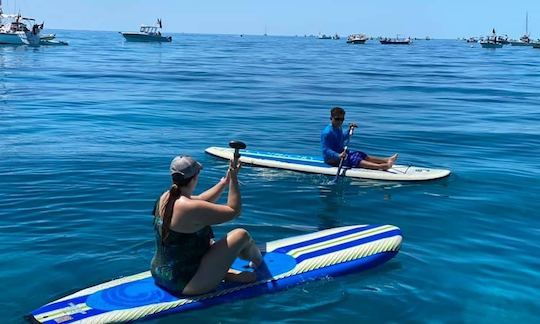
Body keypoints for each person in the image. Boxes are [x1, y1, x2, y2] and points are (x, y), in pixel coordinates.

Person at [151, 155, 262, 295]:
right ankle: (258, 263)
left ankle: (225, 274)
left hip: (160, 274)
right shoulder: (191, 208)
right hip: (187, 284)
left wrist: (224, 182)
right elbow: (234, 211)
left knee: (208, 243)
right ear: (195, 177)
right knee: (241, 235)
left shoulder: (166, 197)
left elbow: (202, 200)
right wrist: (234, 178)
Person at [321, 106, 398, 170]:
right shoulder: (327, 132)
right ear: (331, 118)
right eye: (337, 119)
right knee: (355, 159)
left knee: (360, 154)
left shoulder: (339, 127)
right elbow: (326, 150)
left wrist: (349, 130)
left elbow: (342, 138)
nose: (340, 122)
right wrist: (338, 155)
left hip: (341, 153)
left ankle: (386, 160)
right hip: (331, 159)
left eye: (342, 119)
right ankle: (382, 166)